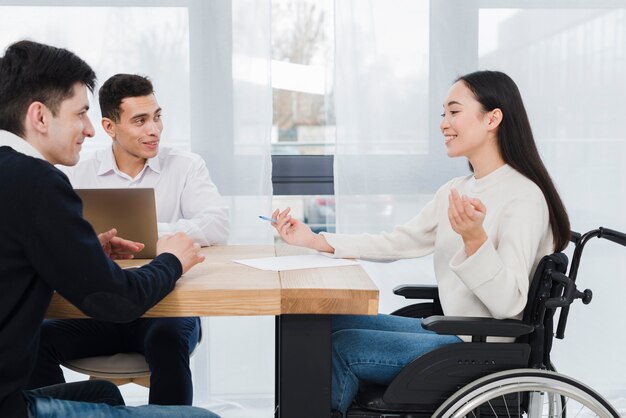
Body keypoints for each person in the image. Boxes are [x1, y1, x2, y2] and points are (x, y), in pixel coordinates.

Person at [269, 70, 570, 417]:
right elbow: (398, 241)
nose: (444, 123)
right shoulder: (459, 189)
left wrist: (475, 240)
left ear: (493, 118)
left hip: (480, 344)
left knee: (338, 347)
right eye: (443, 114)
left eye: (454, 112)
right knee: (319, 323)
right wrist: (315, 239)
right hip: (455, 329)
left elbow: (510, 304)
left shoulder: (523, 197)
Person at [0, 40, 219, 418]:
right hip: (9, 405)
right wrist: (169, 257)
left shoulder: (13, 174)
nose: (87, 130)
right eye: (80, 114)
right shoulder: (38, 181)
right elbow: (117, 302)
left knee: (104, 394)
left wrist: (80, 249)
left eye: (157, 116)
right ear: (39, 117)